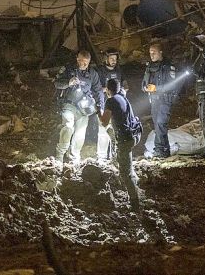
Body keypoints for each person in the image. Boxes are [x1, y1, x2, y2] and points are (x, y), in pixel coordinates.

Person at [53, 50, 102, 164]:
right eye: (80, 61)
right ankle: (60, 154)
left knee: (80, 133)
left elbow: (98, 90)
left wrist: (100, 105)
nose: (82, 64)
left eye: (85, 62)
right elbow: (56, 83)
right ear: (77, 59)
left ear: (89, 62)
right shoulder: (68, 69)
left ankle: (74, 156)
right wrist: (68, 82)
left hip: (83, 108)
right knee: (68, 127)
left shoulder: (92, 73)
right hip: (69, 104)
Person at [100, 78, 141, 208]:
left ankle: (135, 201)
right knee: (127, 165)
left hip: (125, 139)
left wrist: (98, 112)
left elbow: (104, 122)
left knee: (125, 172)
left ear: (107, 89)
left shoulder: (110, 101)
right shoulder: (123, 97)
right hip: (134, 134)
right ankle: (136, 186)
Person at [82, 48, 123, 159]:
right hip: (104, 102)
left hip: (116, 103)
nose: (114, 61)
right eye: (111, 58)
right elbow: (94, 86)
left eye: (115, 59)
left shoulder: (119, 70)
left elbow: (123, 82)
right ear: (106, 59)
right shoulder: (99, 71)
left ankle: (114, 155)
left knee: (115, 130)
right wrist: (103, 90)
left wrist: (123, 89)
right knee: (102, 129)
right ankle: (102, 155)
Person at [142, 41, 179, 158]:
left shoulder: (168, 66)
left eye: (154, 53)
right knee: (157, 125)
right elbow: (143, 83)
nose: (151, 55)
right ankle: (160, 149)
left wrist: (156, 88)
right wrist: (145, 87)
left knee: (161, 123)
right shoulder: (149, 67)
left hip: (165, 99)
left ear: (161, 52)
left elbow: (172, 85)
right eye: (150, 53)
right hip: (153, 100)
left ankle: (163, 149)